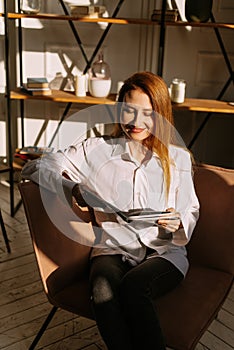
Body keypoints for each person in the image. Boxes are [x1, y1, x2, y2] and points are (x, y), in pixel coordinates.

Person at [22, 71, 199, 350]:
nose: (135, 121)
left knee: (134, 289)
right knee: (102, 290)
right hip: (113, 249)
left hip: (165, 253)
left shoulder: (177, 160)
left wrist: (177, 224)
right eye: (128, 110)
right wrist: (72, 188)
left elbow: (189, 211)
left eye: (146, 113)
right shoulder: (97, 150)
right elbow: (35, 167)